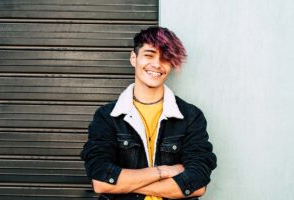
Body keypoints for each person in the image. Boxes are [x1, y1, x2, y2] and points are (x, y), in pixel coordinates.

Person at [80, 26, 217, 200]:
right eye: (149, 55)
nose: (157, 64)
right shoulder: (108, 117)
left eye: (165, 58)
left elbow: (197, 184)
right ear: (133, 58)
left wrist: (125, 183)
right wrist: (164, 171)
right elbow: (101, 181)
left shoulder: (190, 116)